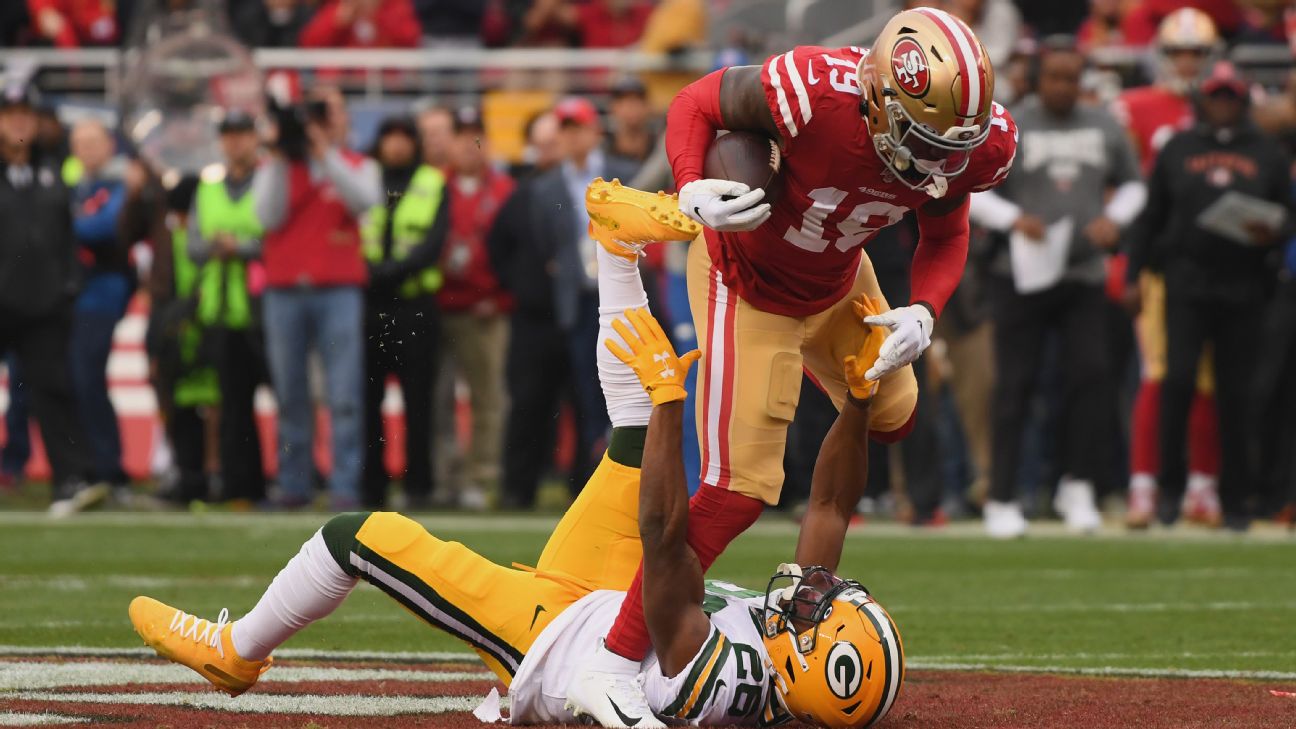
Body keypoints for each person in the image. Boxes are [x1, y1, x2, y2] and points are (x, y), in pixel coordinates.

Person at [127, 237, 903, 729]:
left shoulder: (728, 680)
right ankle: (616, 247)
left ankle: (237, 649)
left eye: (819, 609)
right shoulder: (780, 653)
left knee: (359, 537)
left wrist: (674, 406)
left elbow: (668, 543)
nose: (815, 592)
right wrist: (860, 400)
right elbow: (831, 502)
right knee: (632, 443)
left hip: (555, 641)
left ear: (806, 662)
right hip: (613, 598)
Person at [574, 7, 1016, 699]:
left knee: (896, 416)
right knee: (736, 493)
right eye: (923, 139)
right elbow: (696, 101)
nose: (939, 161)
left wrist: (926, 309)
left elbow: (946, 230)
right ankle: (610, 660)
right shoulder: (810, 89)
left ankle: (794, 608)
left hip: (840, 279)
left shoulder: (969, 141)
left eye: (952, 144)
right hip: (744, 283)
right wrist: (691, 184)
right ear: (876, 96)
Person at [968, 37, 1144, 538]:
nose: (1065, 87)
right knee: (1015, 386)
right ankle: (1002, 496)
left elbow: (1134, 184)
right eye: (1056, 78)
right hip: (1020, 274)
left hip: (1083, 272)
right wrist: (1014, 218)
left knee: (1090, 377)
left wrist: (1115, 218)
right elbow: (973, 191)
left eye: (1073, 78)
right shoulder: (1010, 123)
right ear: (1037, 78)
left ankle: (1078, 485)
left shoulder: (1105, 124)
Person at [1125, 60, 1294, 531]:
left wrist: (1271, 230)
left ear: (1241, 101)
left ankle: (1235, 499)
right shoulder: (1178, 148)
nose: (1222, 104)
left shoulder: (1267, 153)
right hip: (1186, 281)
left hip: (1244, 285)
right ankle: (1169, 492)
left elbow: (1287, 215)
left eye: (1230, 96)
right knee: (1176, 383)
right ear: (1203, 99)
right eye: (1215, 95)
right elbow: (1149, 216)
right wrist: (1135, 274)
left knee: (1237, 393)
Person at [1112, 8, 1224, 529]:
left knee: (1209, 377)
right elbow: (1117, 184)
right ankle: (1144, 487)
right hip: (1158, 258)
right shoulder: (1133, 107)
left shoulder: (1227, 106)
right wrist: (1126, 259)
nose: (1186, 63)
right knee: (1159, 371)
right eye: (1178, 52)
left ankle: (1202, 487)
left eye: (1196, 53)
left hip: (1220, 260)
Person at [253, 87, 380, 509]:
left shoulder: (359, 165)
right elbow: (267, 216)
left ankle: (344, 486)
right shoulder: (278, 167)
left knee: (343, 394)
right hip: (285, 289)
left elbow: (364, 201)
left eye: (331, 114)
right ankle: (294, 484)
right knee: (290, 393)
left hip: (338, 289)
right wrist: (277, 151)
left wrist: (325, 151)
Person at [526, 98, 640, 491]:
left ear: (595, 132)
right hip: (579, 300)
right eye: (566, 129)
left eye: (578, 128)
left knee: (631, 388)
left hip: (623, 296)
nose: (572, 138)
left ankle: (633, 479)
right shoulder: (546, 187)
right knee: (588, 393)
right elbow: (546, 245)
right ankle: (598, 482)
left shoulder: (623, 175)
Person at [0, 83, 99, 514]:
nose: (19, 121)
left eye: (26, 114)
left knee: (54, 389)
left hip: (44, 304)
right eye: (10, 113)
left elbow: (66, 236)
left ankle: (70, 480)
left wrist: (68, 286)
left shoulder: (56, 169)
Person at [360, 116, 448, 509]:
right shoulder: (362, 177)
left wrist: (390, 272)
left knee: (419, 401)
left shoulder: (432, 182)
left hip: (414, 305)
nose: (396, 146)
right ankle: (371, 485)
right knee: (367, 400)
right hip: (370, 304)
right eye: (388, 137)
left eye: (402, 138)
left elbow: (434, 242)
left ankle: (418, 485)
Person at [489, 112, 573, 508]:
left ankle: (581, 491)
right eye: (543, 145)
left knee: (587, 406)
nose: (549, 153)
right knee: (527, 404)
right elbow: (496, 246)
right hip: (534, 318)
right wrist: (521, 284)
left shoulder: (584, 190)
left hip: (579, 316)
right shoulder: (522, 194)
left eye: (555, 143)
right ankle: (517, 489)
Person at [187, 111, 270, 504]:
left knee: (287, 397)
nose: (235, 142)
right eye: (229, 135)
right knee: (233, 403)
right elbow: (193, 245)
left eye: (242, 134)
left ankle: (293, 480)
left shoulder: (270, 181)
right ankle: (241, 485)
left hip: (264, 305)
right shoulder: (208, 187)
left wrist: (239, 247)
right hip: (222, 308)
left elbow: (280, 239)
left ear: (255, 138)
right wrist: (226, 246)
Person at [433, 106, 514, 509]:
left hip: (486, 309)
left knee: (488, 398)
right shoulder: (433, 187)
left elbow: (518, 251)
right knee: (439, 397)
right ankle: (445, 478)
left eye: (475, 134)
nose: (469, 143)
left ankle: (480, 479)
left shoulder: (503, 190)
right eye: (461, 134)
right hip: (441, 306)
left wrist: (498, 298)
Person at [67, 118, 133, 493]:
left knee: (88, 376)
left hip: (103, 291)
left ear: (109, 144)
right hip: (74, 292)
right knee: (77, 379)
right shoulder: (79, 187)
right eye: (80, 141)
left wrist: (61, 222)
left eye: (93, 140)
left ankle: (108, 468)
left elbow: (105, 226)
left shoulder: (120, 183)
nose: (86, 148)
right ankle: (91, 465)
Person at [298, 0, 421, 48]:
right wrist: (337, 22)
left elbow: (411, 39)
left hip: (388, 85)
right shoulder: (337, 7)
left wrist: (377, 15)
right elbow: (309, 42)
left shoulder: (396, 6)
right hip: (344, 83)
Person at [606, 76, 656, 164]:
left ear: (648, 106)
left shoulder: (660, 147)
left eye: (637, 100)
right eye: (623, 101)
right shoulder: (602, 149)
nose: (631, 106)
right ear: (613, 107)